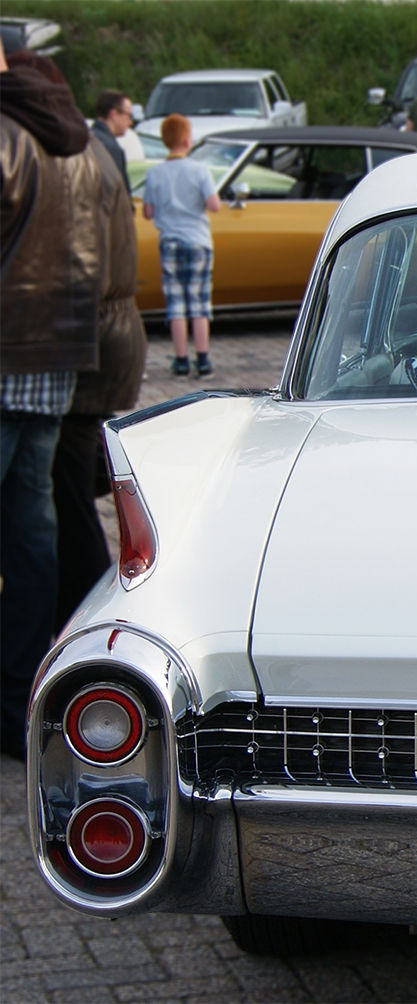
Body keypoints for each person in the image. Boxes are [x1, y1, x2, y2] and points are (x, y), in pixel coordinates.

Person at [0, 48, 107, 760]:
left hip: (6, 341)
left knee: (32, 532)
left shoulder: (7, 129)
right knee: (32, 533)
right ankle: (16, 699)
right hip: (59, 350)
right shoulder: (78, 134)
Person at [53, 102, 147, 632]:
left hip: (85, 342)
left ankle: (90, 616)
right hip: (105, 336)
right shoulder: (92, 150)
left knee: (67, 495)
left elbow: (78, 265)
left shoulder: (69, 156)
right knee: (70, 486)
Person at [142, 113, 221, 377]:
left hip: (169, 241)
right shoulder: (199, 170)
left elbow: (148, 212)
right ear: (188, 140)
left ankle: (180, 359)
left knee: (175, 302)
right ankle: (203, 358)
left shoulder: (154, 173)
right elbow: (214, 205)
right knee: (200, 301)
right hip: (198, 240)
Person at [91, 89, 133, 183]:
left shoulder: (83, 140)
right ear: (113, 114)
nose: (130, 122)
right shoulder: (111, 148)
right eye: (129, 115)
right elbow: (116, 190)